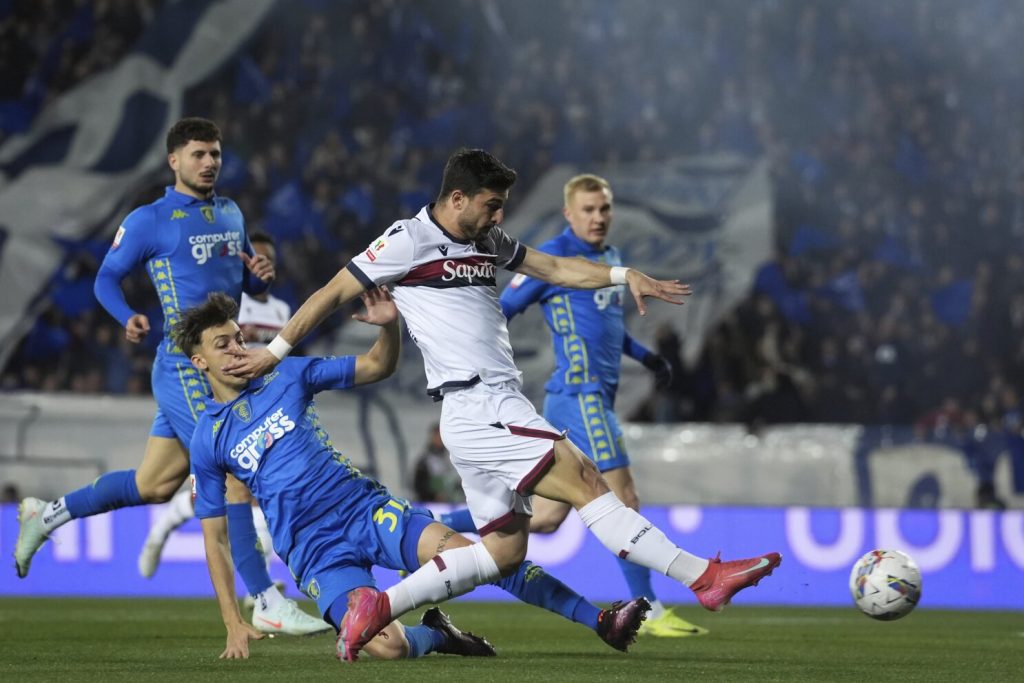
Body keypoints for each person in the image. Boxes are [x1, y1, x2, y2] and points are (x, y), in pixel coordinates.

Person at [222, 148, 781, 660]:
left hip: (480, 408)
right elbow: (328, 295)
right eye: (491, 205)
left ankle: (382, 606)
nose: (498, 217)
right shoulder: (406, 240)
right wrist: (274, 352)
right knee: (587, 480)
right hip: (480, 402)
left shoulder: (487, 240)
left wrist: (621, 273)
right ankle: (703, 577)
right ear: (457, 198)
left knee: (506, 553)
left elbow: (555, 268)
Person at [182, 290, 650, 659]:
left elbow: (376, 366)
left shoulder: (285, 375)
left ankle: (601, 621)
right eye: (222, 344)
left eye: (239, 338)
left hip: (365, 509)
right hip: (314, 551)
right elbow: (214, 535)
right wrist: (231, 620)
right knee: (384, 645)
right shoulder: (208, 437)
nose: (237, 348)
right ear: (200, 361)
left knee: (487, 557)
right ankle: (440, 637)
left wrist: (390, 328)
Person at [13, 118, 328, 636]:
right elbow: (106, 278)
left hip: (226, 366)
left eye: (216, 155)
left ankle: (44, 516)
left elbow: (236, 275)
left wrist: (257, 277)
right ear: (174, 161)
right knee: (236, 468)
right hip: (185, 366)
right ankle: (266, 599)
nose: (209, 163)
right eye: (199, 154)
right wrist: (127, 317)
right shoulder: (148, 220)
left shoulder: (231, 212)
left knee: (154, 485)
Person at [440, 174, 706, 637]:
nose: (599, 217)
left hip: (588, 398)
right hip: (580, 395)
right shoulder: (554, 259)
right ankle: (652, 611)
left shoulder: (610, 259)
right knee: (624, 498)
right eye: (588, 210)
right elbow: (501, 309)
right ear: (569, 213)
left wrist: (645, 357)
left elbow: (605, 328)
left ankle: (438, 525)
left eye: (604, 209)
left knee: (544, 517)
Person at [137, 230, 290, 581]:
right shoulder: (232, 305)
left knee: (260, 490)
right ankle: (163, 529)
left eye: (268, 259)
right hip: (223, 400)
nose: (260, 264)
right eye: (254, 257)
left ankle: (262, 588)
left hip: (260, 403)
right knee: (224, 486)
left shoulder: (282, 310)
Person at [411, 423, 463, 503]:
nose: (439, 439)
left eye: (441, 436)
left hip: (452, 503)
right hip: (430, 504)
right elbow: (418, 485)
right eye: (436, 436)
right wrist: (434, 496)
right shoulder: (424, 459)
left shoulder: (452, 456)